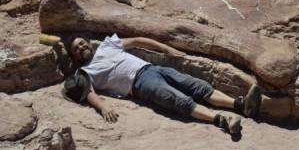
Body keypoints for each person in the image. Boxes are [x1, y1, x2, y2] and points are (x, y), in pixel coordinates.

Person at [62, 34, 261, 134]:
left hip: (153, 68)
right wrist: (103, 107)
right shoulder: (84, 72)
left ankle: (240, 105)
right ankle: (221, 121)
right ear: (74, 56)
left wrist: (165, 48)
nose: (81, 47)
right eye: (76, 49)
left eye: (82, 43)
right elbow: (88, 92)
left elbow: (138, 40)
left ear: (88, 42)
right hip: (139, 84)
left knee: (197, 85)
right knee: (178, 100)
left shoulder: (107, 45)